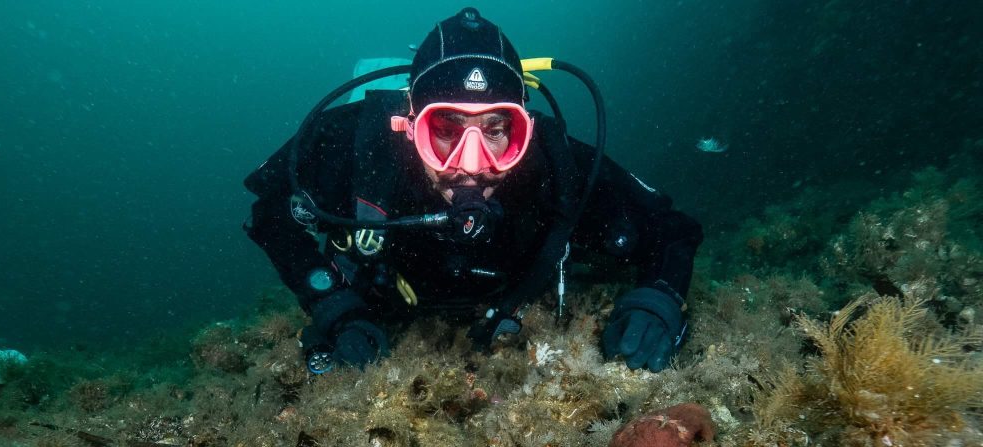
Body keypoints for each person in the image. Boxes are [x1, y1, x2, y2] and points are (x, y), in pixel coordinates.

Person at [244, 7, 702, 374]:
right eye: (445, 128)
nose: (471, 164)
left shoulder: (554, 164)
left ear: (525, 127)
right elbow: (269, 212)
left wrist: (657, 297)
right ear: (408, 124)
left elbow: (670, 227)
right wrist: (333, 303)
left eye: (498, 129)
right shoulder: (350, 143)